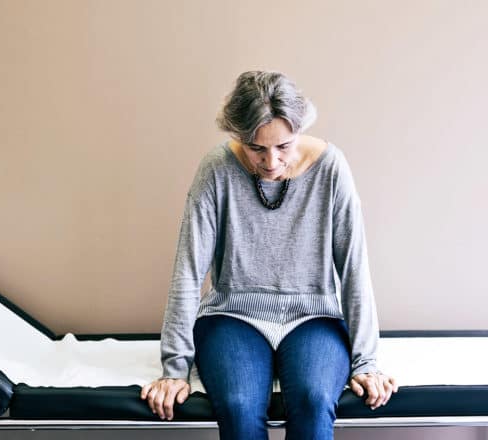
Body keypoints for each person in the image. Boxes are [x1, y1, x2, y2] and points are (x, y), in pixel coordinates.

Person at [141, 70, 397, 439]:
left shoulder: (331, 168)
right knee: (239, 405)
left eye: (284, 146)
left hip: (314, 315)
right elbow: (188, 270)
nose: (272, 161)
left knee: (313, 399)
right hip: (233, 314)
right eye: (256, 148)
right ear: (238, 137)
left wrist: (367, 361)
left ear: (300, 131)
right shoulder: (217, 168)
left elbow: (355, 270)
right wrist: (174, 369)